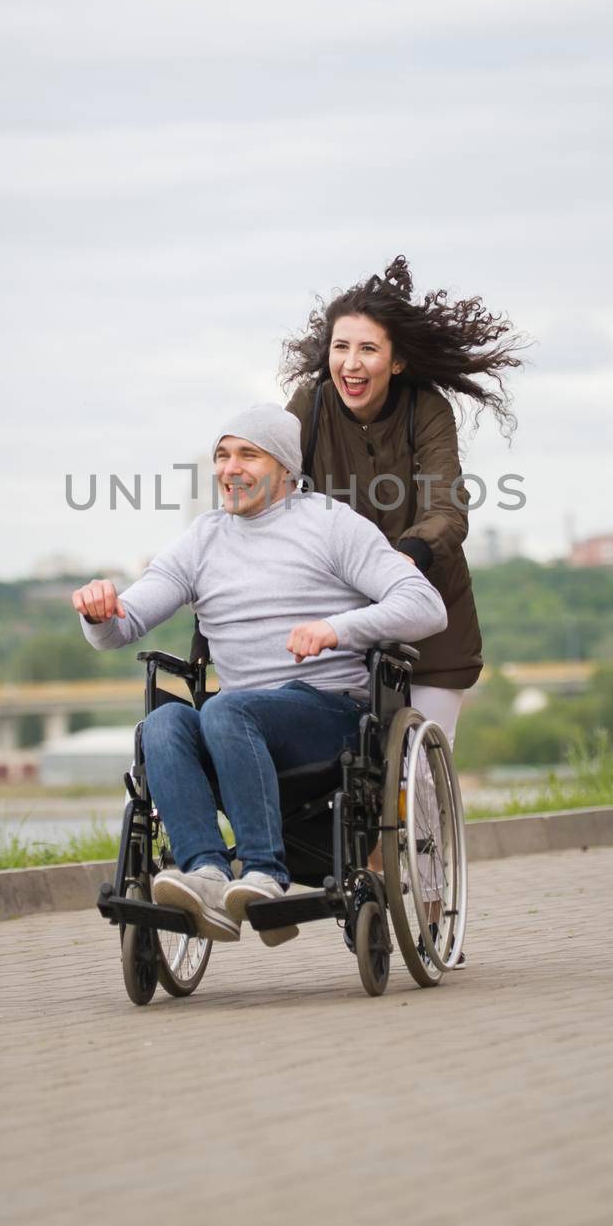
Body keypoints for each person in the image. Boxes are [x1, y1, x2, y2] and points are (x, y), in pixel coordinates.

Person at [73, 403, 446, 947]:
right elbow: (121, 627)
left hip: (328, 714)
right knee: (164, 724)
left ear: (287, 468)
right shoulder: (201, 540)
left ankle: (265, 874)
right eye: (222, 456)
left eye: (248, 454)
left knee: (226, 707)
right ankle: (205, 874)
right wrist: (98, 613)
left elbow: (425, 605)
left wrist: (337, 628)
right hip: (239, 725)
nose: (230, 468)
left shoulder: (331, 524)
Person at [283, 255, 524, 751]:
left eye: (368, 349)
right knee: (343, 768)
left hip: (429, 613)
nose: (351, 363)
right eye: (341, 347)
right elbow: (267, 490)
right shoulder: (310, 406)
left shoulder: (426, 408)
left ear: (396, 361)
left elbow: (446, 508)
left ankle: (427, 827)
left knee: (420, 764)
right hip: (340, 615)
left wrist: (403, 559)